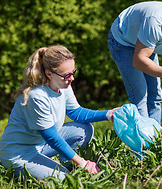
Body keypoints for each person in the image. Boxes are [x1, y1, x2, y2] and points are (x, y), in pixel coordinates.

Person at [0, 45, 118, 181]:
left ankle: (66, 162)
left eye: (73, 72)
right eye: (67, 75)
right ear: (49, 74)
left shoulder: (63, 86)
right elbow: (52, 138)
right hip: (19, 153)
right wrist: (82, 163)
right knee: (66, 179)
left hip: (40, 145)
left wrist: (108, 114)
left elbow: (77, 113)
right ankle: (17, 168)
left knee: (84, 129)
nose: (72, 78)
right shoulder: (36, 96)